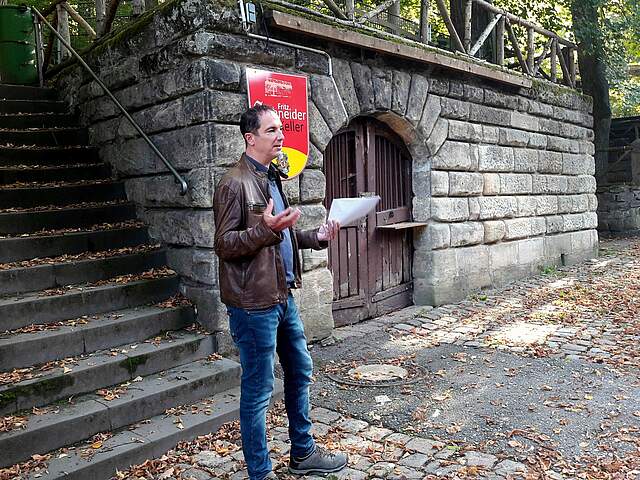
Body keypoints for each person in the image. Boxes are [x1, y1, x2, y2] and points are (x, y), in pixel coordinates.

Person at [213, 103, 347, 480]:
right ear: (250, 137)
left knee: (300, 371)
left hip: (283, 296)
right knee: (258, 390)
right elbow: (224, 245)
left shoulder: (272, 178)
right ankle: (260, 472)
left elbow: (279, 235)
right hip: (253, 304)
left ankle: (302, 454)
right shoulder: (232, 183)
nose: (281, 136)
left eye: (281, 129)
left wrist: (314, 237)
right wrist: (267, 229)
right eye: (271, 130)